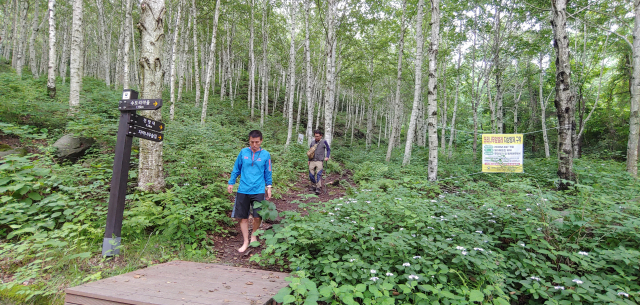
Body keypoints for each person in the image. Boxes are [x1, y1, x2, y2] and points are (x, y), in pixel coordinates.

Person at [227, 130, 273, 253]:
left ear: (261, 141)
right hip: (243, 189)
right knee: (243, 217)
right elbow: (236, 168)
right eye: (252, 142)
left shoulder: (266, 155)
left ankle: (254, 235)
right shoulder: (243, 152)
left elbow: (268, 171)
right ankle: (245, 241)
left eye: (257, 142)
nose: (254, 144)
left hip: (258, 189)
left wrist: (269, 187)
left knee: (258, 217)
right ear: (249, 141)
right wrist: (231, 182)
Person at [308, 130, 331, 195]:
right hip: (312, 160)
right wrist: (308, 160)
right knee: (311, 174)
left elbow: (328, 149)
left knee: (318, 174)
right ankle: (313, 185)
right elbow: (310, 152)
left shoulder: (324, 142)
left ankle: (318, 187)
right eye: (315, 136)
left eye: (318, 136)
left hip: (320, 161)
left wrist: (327, 156)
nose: (316, 137)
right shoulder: (312, 142)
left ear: (321, 136)